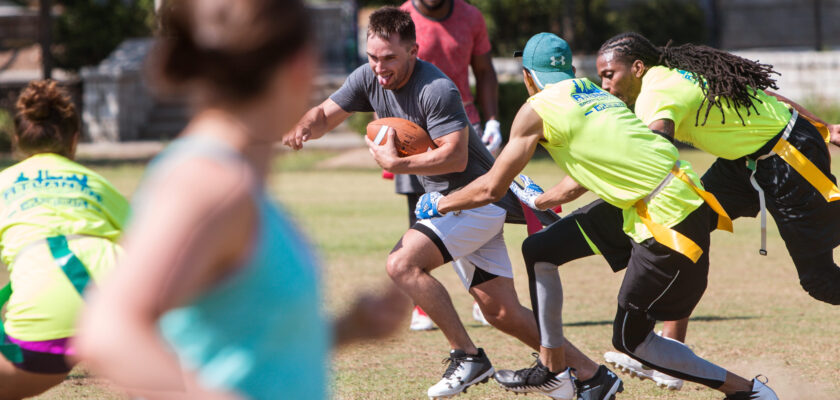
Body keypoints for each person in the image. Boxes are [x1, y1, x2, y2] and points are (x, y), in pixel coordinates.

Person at [75, 1, 408, 399]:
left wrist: (348, 329)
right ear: (300, 66)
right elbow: (108, 330)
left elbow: (246, 352)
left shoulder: (232, 179)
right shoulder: (210, 182)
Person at [420, 32, 778, 399]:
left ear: (529, 76)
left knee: (631, 341)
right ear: (571, 70)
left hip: (668, 219)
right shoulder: (595, 93)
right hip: (661, 200)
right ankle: (553, 368)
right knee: (541, 249)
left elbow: (490, 189)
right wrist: (543, 200)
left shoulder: (537, 108)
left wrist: (439, 203)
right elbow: (585, 173)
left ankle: (748, 391)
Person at [283, 8, 613, 399]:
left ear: (413, 50)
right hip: (453, 204)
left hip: (476, 199)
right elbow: (324, 114)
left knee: (402, 263)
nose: (379, 67)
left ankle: (467, 355)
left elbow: (455, 157)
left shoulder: (435, 88)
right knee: (502, 313)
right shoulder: (368, 78)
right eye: (372, 57)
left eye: (389, 58)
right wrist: (304, 124)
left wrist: (397, 163)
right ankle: (594, 376)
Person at [595, 32, 840, 389]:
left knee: (820, 280)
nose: (604, 84)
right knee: (685, 225)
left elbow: (657, 143)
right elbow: (763, 96)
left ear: (637, 67)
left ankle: (661, 350)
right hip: (745, 160)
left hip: (789, 158)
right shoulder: (675, 73)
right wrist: (824, 125)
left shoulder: (655, 93)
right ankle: (669, 353)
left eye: (609, 74)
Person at [0, 80, 129, 399]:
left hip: (46, 293)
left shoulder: (3, 182)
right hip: (119, 290)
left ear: (16, 140)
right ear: (75, 140)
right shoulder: (95, 182)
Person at [398, 0, 503, 330]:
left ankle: (483, 299)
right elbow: (381, 72)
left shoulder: (470, 16)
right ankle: (423, 303)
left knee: (474, 210)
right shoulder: (402, 17)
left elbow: (484, 72)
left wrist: (493, 121)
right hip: (411, 131)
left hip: (463, 130)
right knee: (419, 213)